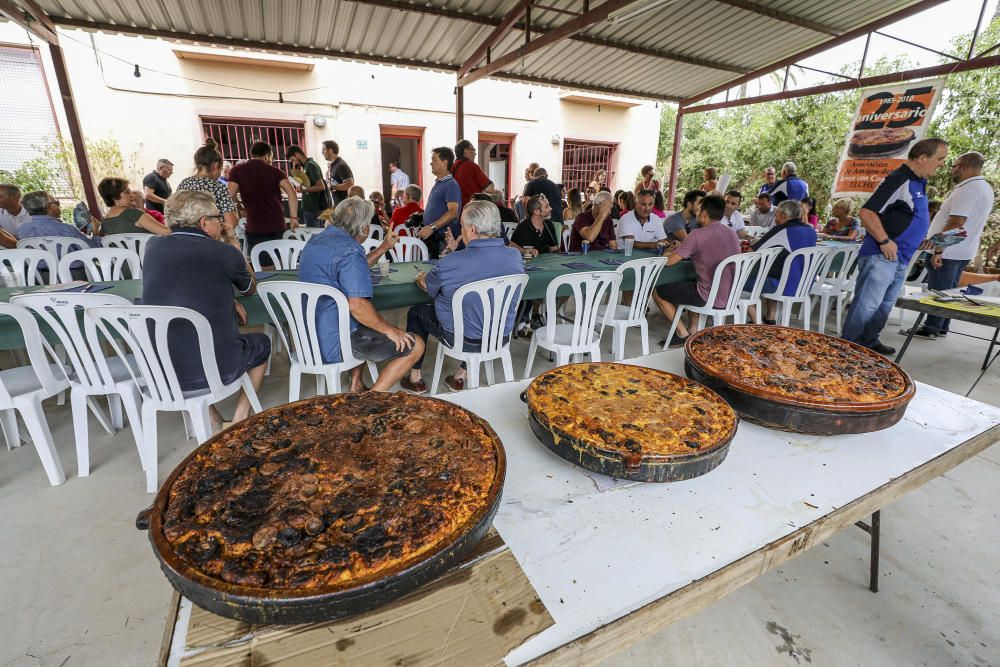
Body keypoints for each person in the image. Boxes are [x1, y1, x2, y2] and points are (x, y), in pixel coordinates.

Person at [142, 190, 267, 428]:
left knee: (185, 342)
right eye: (217, 218)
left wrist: (225, 298)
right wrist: (233, 244)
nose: (221, 223)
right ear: (203, 222)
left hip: (161, 368)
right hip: (216, 369)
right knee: (262, 343)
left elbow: (181, 281)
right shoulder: (223, 252)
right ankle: (240, 417)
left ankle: (213, 417)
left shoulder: (153, 246)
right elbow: (250, 287)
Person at [297, 196, 423, 392]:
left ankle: (356, 384)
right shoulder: (350, 251)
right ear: (363, 228)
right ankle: (371, 398)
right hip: (335, 341)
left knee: (365, 321)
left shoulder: (316, 241)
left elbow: (353, 267)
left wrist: (383, 248)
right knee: (416, 345)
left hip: (306, 336)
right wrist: (390, 330)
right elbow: (357, 305)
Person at [841, 138, 949, 354]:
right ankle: (848, 348)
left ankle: (869, 342)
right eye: (940, 159)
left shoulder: (919, 182)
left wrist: (917, 240)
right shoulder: (900, 179)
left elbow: (902, 217)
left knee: (884, 305)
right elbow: (867, 212)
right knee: (867, 305)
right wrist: (884, 240)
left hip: (901, 255)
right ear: (922, 158)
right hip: (881, 255)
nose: (941, 164)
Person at [403, 201, 525, 393]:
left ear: (473, 229)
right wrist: (455, 252)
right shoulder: (514, 256)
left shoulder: (452, 263)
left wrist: (421, 277)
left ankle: (415, 377)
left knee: (417, 312)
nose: (461, 229)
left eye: (462, 225)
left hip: (462, 340)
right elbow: (481, 266)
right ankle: (460, 375)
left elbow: (428, 286)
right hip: (499, 337)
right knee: (481, 313)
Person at [911, 150, 994, 340]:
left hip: (949, 250)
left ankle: (931, 327)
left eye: (954, 166)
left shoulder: (969, 190)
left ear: (964, 167)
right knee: (950, 291)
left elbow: (956, 222)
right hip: (962, 250)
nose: (951, 171)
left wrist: (939, 249)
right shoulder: (983, 187)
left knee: (938, 290)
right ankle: (941, 326)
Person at [652, 194, 740, 347]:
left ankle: (682, 333)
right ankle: (693, 328)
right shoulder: (731, 232)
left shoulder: (697, 234)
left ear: (704, 214)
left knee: (657, 291)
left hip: (708, 296)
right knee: (691, 282)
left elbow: (670, 262)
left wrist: (667, 254)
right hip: (731, 295)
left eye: (699, 210)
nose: (697, 214)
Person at [751, 199, 818, 323]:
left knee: (744, 280)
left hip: (785, 286)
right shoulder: (811, 231)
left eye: (776, 214)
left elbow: (753, 250)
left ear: (782, 215)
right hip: (805, 285)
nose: (775, 217)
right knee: (775, 268)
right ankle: (771, 317)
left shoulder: (782, 229)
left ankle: (755, 320)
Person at [227, 141, 299, 253]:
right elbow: (292, 193)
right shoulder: (275, 171)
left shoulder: (237, 171)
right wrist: (294, 218)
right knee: (279, 259)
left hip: (254, 224)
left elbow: (229, 195)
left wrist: (239, 206)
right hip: (277, 223)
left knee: (261, 262)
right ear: (267, 155)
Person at [176, 139, 239, 230]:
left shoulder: (183, 184)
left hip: (189, 236)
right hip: (214, 239)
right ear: (215, 166)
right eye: (220, 169)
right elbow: (231, 223)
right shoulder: (218, 187)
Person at [17, 190, 102, 251]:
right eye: (57, 203)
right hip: (73, 273)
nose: (59, 207)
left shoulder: (21, 229)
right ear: (48, 207)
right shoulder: (66, 229)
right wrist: (96, 231)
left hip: (40, 275)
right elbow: (94, 249)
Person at [417, 146, 462, 258]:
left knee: (440, 270)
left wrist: (431, 227)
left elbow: (453, 213)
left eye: (434, 160)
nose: (431, 163)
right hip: (434, 237)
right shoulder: (440, 183)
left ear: (444, 162)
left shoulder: (451, 184)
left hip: (443, 239)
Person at [97, 178, 170, 236]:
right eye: (127, 192)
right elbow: (166, 232)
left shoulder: (104, 223)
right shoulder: (134, 214)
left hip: (124, 255)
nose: (132, 195)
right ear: (115, 198)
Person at [286, 145, 328, 228]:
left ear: (297, 154)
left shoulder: (310, 165)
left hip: (314, 209)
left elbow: (321, 186)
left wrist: (304, 190)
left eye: (293, 160)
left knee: (314, 236)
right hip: (310, 209)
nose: (294, 163)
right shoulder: (306, 166)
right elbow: (310, 185)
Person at [452, 139, 495, 204]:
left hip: (456, 209)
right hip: (472, 209)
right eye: (473, 150)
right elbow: (490, 189)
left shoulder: (452, 167)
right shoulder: (471, 166)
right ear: (466, 151)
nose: (475, 153)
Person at [321, 140, 354, 206]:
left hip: (345, 206)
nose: (322, 152)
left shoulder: (341, 165)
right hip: (338, 204)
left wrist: (332, 187)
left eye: (323, 149)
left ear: (330, 150)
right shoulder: (333, 165)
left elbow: (349, 184)